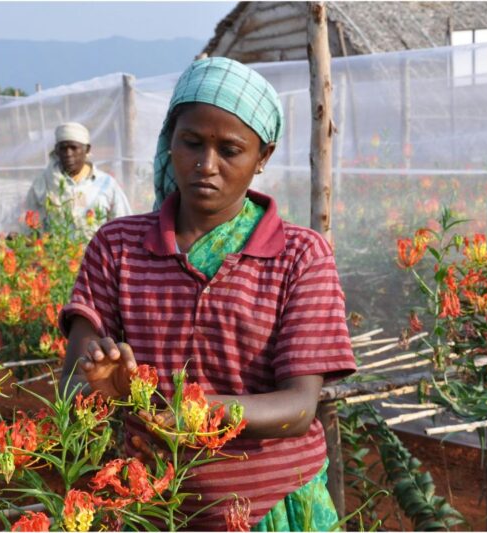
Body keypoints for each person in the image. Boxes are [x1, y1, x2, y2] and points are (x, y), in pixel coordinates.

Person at [59, 57, 356, 530]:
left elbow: (298, 408)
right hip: (150, 506)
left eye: (230, 150)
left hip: (273, 509)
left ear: (264, 157)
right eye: (191, 143)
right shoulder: (117, 248)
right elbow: (73, 384)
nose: (205, 165)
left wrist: (191, 410)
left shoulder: (300, 255)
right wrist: (105, 392)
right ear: (169, 140)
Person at [26, 122, 132, 235]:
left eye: (73, 148)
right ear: (56, 151)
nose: (68, 154)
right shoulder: (44, 183)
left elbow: (123, 225)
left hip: (98, 251)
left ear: (87, 149)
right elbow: (31, 226)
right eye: (63, 149)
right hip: (56, 251)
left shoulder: (106, 184)